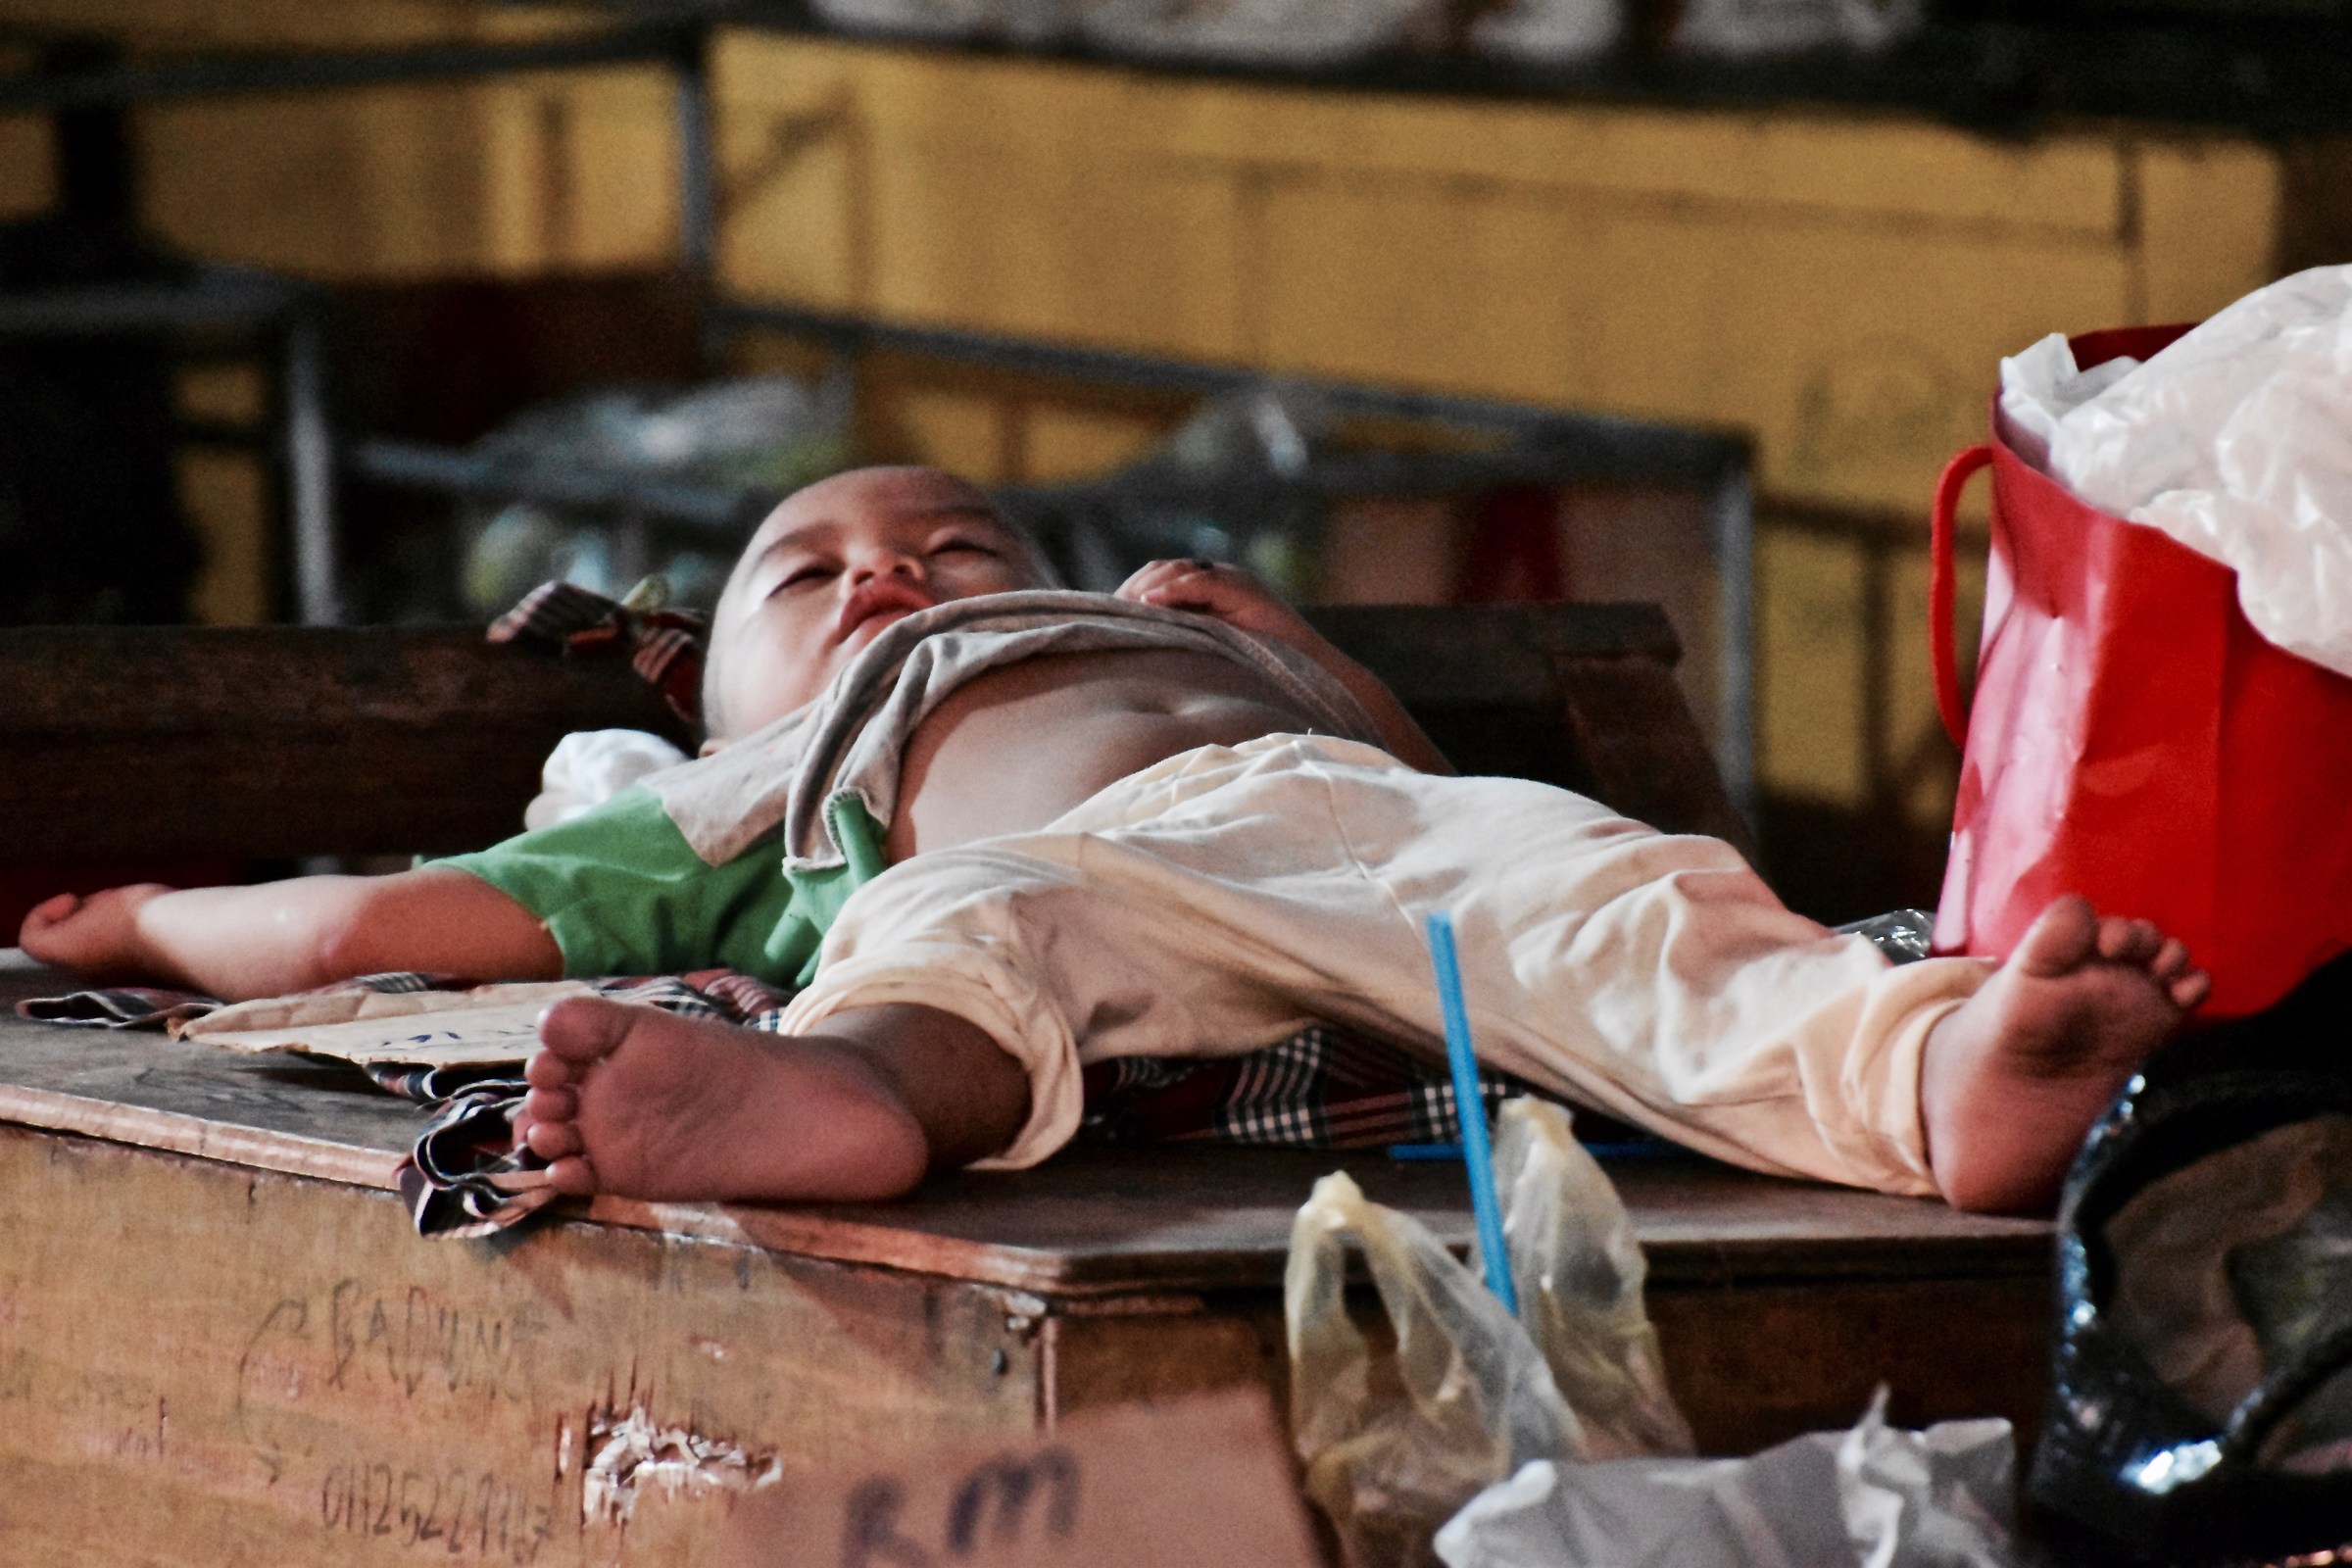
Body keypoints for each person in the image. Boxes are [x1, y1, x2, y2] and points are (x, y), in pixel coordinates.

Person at [19, 466, 2210, 1216]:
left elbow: (1391, 802)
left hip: (1364, 824)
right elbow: (400, 917)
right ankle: (850, 1098)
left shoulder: (1179, 648)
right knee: (965, 931)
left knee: (1610, 897)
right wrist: (144, 913)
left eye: (958, 542)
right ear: (711, 690)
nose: (893, 575)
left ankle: (1920, 1074)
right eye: (812, 575)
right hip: (1085, 871)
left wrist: (1302, 659)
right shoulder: (751, 776)